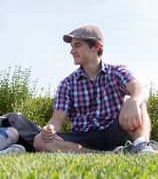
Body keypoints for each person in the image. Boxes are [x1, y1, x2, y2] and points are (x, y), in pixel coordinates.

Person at [33, 25, 157, 154]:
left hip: (113, 132)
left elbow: (139, 88)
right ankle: (101, 154)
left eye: (77, 45)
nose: (72, 51)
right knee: (39, 140)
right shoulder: (67, 83)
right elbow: (57, 119)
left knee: (138, 101)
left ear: (96, 46)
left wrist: (133, 101)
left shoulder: (116, 72)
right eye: (72, 46)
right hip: (81, 136)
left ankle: (141, 146)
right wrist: (50, 128)